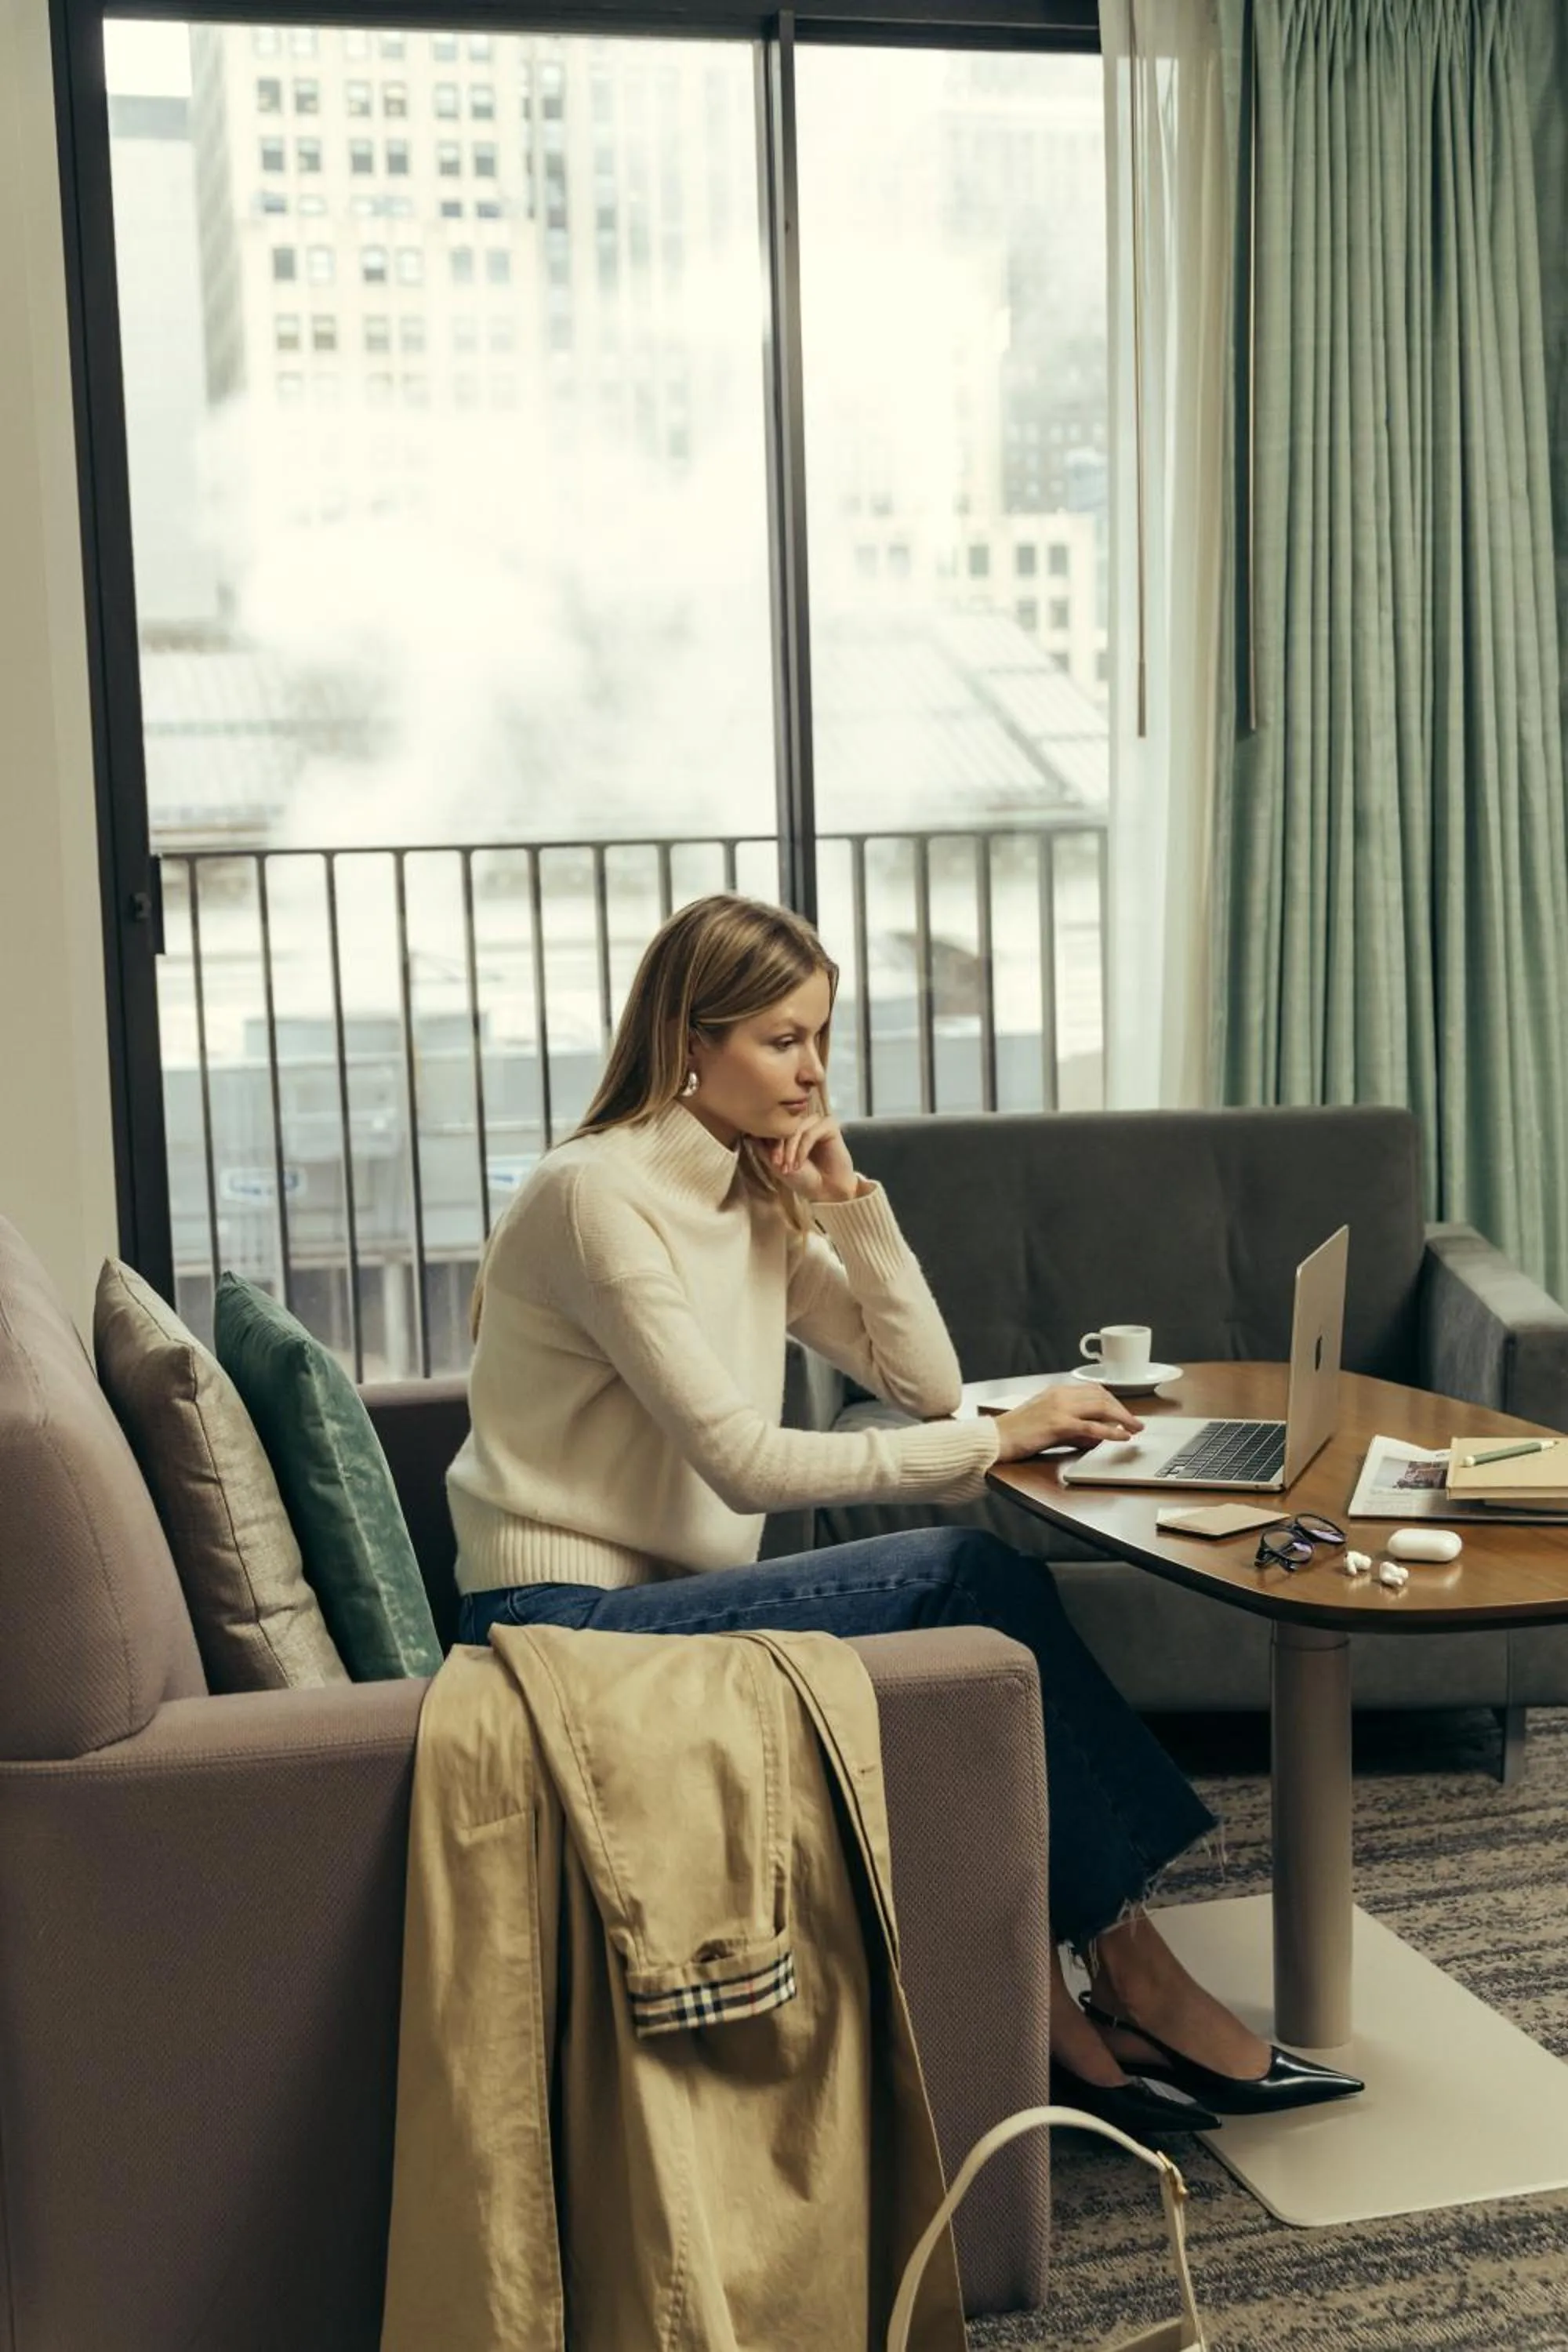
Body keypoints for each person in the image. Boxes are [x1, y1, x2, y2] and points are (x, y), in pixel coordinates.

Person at [448, 894, 1361, 2136]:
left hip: (653, 1603)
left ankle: (1068, 1997)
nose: (814, 1068)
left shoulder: (746, 1196)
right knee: (961, 1578)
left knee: (973, 1617)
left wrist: (847, 1203)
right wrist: (995, 1440)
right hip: (562, 1626)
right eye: (781, 1038)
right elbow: (746, 1466)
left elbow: (923, 1384)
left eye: (821, 1035)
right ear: (688, 1042)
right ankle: (1132, 1974)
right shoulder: (593, 1197)